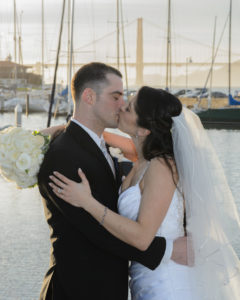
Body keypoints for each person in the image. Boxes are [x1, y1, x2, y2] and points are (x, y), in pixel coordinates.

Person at [49, 86, 240, 300]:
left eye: (129, 108)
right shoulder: (143, 159)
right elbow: (106, 139)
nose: (121, 107)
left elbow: (141, 238)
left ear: (143, 130)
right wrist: (64, 130)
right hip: (145, 279)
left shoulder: (162, 167)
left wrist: (87, 201)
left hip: (167, 284)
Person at [38, 63, 186, 300]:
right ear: (89, 96)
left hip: (137, 285)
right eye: (116, 97)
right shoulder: (63, 155)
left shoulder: (122, 152)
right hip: (79, 290)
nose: (122, 105)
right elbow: (94, 231)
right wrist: (166, 250)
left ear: (145, 128)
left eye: (126, 101)